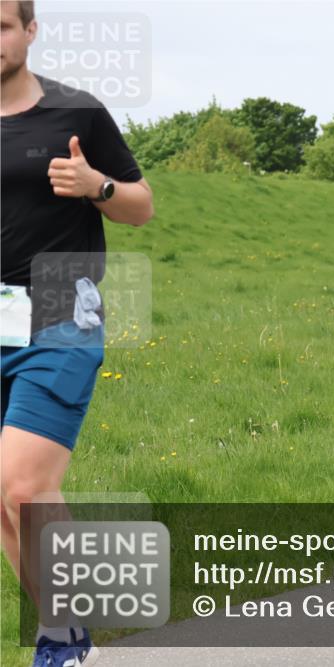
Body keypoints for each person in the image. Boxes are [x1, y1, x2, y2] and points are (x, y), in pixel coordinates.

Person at [1, 1, 154, 664]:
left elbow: (141, 207)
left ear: (30, 32)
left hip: (62, 306)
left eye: (2, 24)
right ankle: (65, 632)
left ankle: (65, 639)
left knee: (23, 488)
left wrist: (96, 185)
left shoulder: (76, 111)